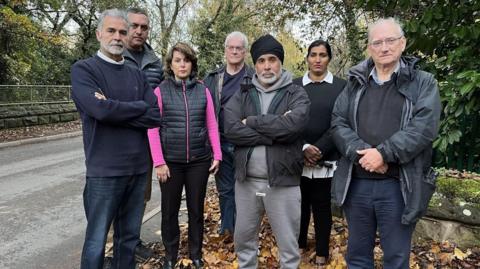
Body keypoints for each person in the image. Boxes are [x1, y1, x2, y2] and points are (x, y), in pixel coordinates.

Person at [331, 18, 441, 269]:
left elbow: (424, 127)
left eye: (390, 40)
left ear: (402, 43)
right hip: (356, 184)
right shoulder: (355, 82)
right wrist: (364, 156)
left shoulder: (423, 82)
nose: (384, 47)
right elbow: (338, 122)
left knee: (396, 258)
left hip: (399, 186)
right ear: (369, 48)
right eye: (377, 42)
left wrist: (383, 154)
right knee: (357, 258)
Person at [70, 8, 161, 269]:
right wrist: (136, 107)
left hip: (138, 169)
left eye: (123, 31)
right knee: (96, 242)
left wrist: (113, 107)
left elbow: (154, 115)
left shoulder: (137, 75)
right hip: (104, 172)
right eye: (111, 30)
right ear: (99, 33)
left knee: (129, 240)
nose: (118, 36)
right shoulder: (84, 70)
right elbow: (99, 110)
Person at [224, 34, 310, 269]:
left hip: (283, 183)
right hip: (246, 183)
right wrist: (274, 134)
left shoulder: (296, 93)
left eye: (272, 59)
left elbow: (293, 126)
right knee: (244, 241)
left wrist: (250, 121)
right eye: (261, 60)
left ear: (280, 62)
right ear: (255, 64)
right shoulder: (242, 93)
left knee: (289, 247)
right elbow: (230, 130)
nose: (267, 66)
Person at [147, 42, 222, 269]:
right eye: (178, 60)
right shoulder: (160, 91)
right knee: (169, 212)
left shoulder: (203, 90)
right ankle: (170, 255)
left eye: (186, 60)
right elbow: (152, 128)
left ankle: (196, 253)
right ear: (170, 64)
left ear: (192, 63)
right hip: (170, 163)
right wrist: (158, 162)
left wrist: (216, 154)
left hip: (198, 162)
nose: (182, 64)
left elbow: (211, 124)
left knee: (196, 211)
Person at [103, 7, 164, 264]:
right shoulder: (111, 55)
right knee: (109, 197)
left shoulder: (155, 62)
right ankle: (105, 250)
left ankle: (131, 241)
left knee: (140, 196)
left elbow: (154, 106)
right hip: (113, 142)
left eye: (144, 27)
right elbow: (107, 105)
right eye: (135, 26)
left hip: (145, 139)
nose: (139, 31)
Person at [292, 39, 346, 267]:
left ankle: (322, 250)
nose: (317, 59)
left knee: (322, 206)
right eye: (313, 55)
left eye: (322, 55)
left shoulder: (341, 86)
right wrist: (304, 147)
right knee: (299, 205)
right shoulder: (294, 86)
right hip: (297, 155)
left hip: (327, 156)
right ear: (307, 58)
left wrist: (320, 149)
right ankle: (300, 245)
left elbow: (341, 122)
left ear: (329, 58)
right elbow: (288, 120)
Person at [203, 31, 254, 237]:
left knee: (246, 190)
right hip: (221, 142)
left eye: (239, 48)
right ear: (225, 50)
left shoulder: (254, 77)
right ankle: (228, 229)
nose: (234, 51)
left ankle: (245, 231)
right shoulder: (213, 78)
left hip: (246, 143)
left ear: (245, 51)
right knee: (225, 190)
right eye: (231, 47)